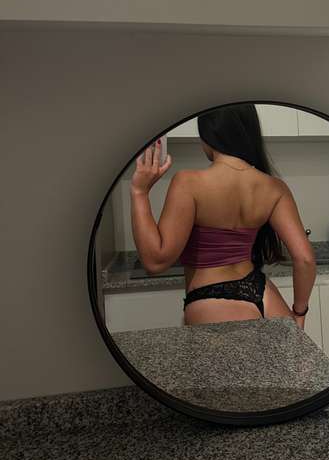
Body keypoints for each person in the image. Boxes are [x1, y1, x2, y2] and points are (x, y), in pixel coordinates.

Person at [129, 103, 316, 328]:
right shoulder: (274, 187)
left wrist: (139, 192)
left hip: (212, 298)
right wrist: (300, 312)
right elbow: (305, 259)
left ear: (208, 134)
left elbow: (155, 261)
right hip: (262, 290)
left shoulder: (188, 182)